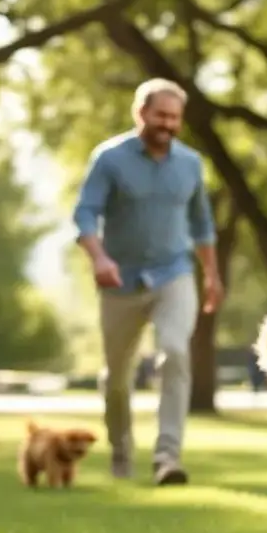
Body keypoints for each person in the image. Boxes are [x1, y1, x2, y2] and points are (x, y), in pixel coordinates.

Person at [72, 78, 223, 486]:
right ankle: (121, 452)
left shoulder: (190, 163)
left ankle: (167, 457)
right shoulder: (109, 159)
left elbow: (202, 225)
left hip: (174, 274)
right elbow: (84, 215)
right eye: (160, 115)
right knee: (117, 376)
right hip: (119, 280)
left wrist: (211, 275)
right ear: (141, 113)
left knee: (175, 352)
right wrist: (99, 258)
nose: (168, 124)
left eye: (174, 117)